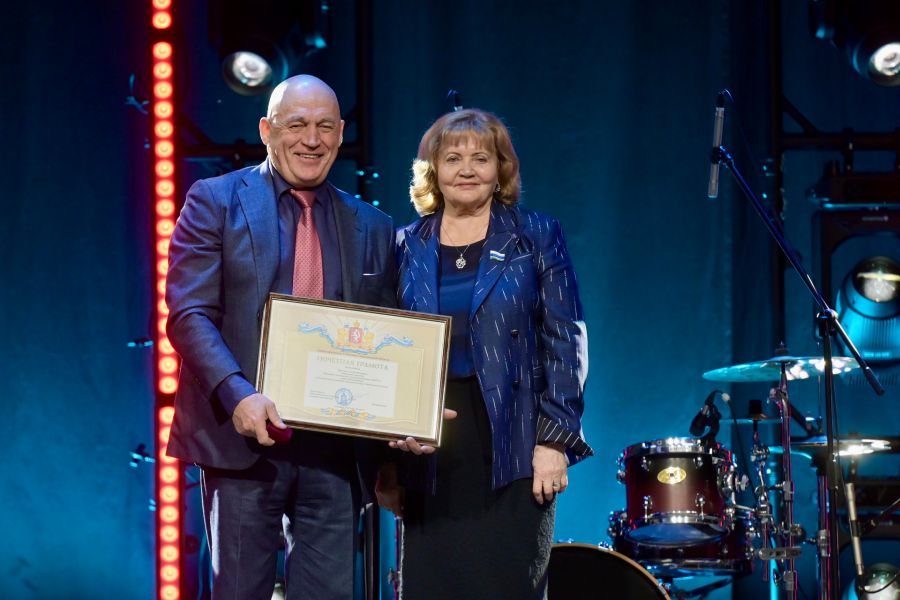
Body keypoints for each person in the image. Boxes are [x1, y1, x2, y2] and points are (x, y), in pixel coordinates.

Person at [165, 74, 397, 599]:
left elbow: (384, 335)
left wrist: (403, 421)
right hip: (241, 441)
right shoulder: (215, 201)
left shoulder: (374, 225)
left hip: (335, 453)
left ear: (341, 134)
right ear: (267, 130)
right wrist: (237, 394)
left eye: (324, 127)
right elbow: (188, 313)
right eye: (296, 125)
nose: (311, 140)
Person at [380, 108, 593, 600]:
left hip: (516, 442)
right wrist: (387, 463)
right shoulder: (404, 246)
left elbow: (567, 340)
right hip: (431, 446)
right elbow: (389, 351)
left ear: (501, 169)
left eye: (481, 158)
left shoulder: (536, 235)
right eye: (453, 158)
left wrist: (555, 441)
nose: (467, 169)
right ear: (433, 170)